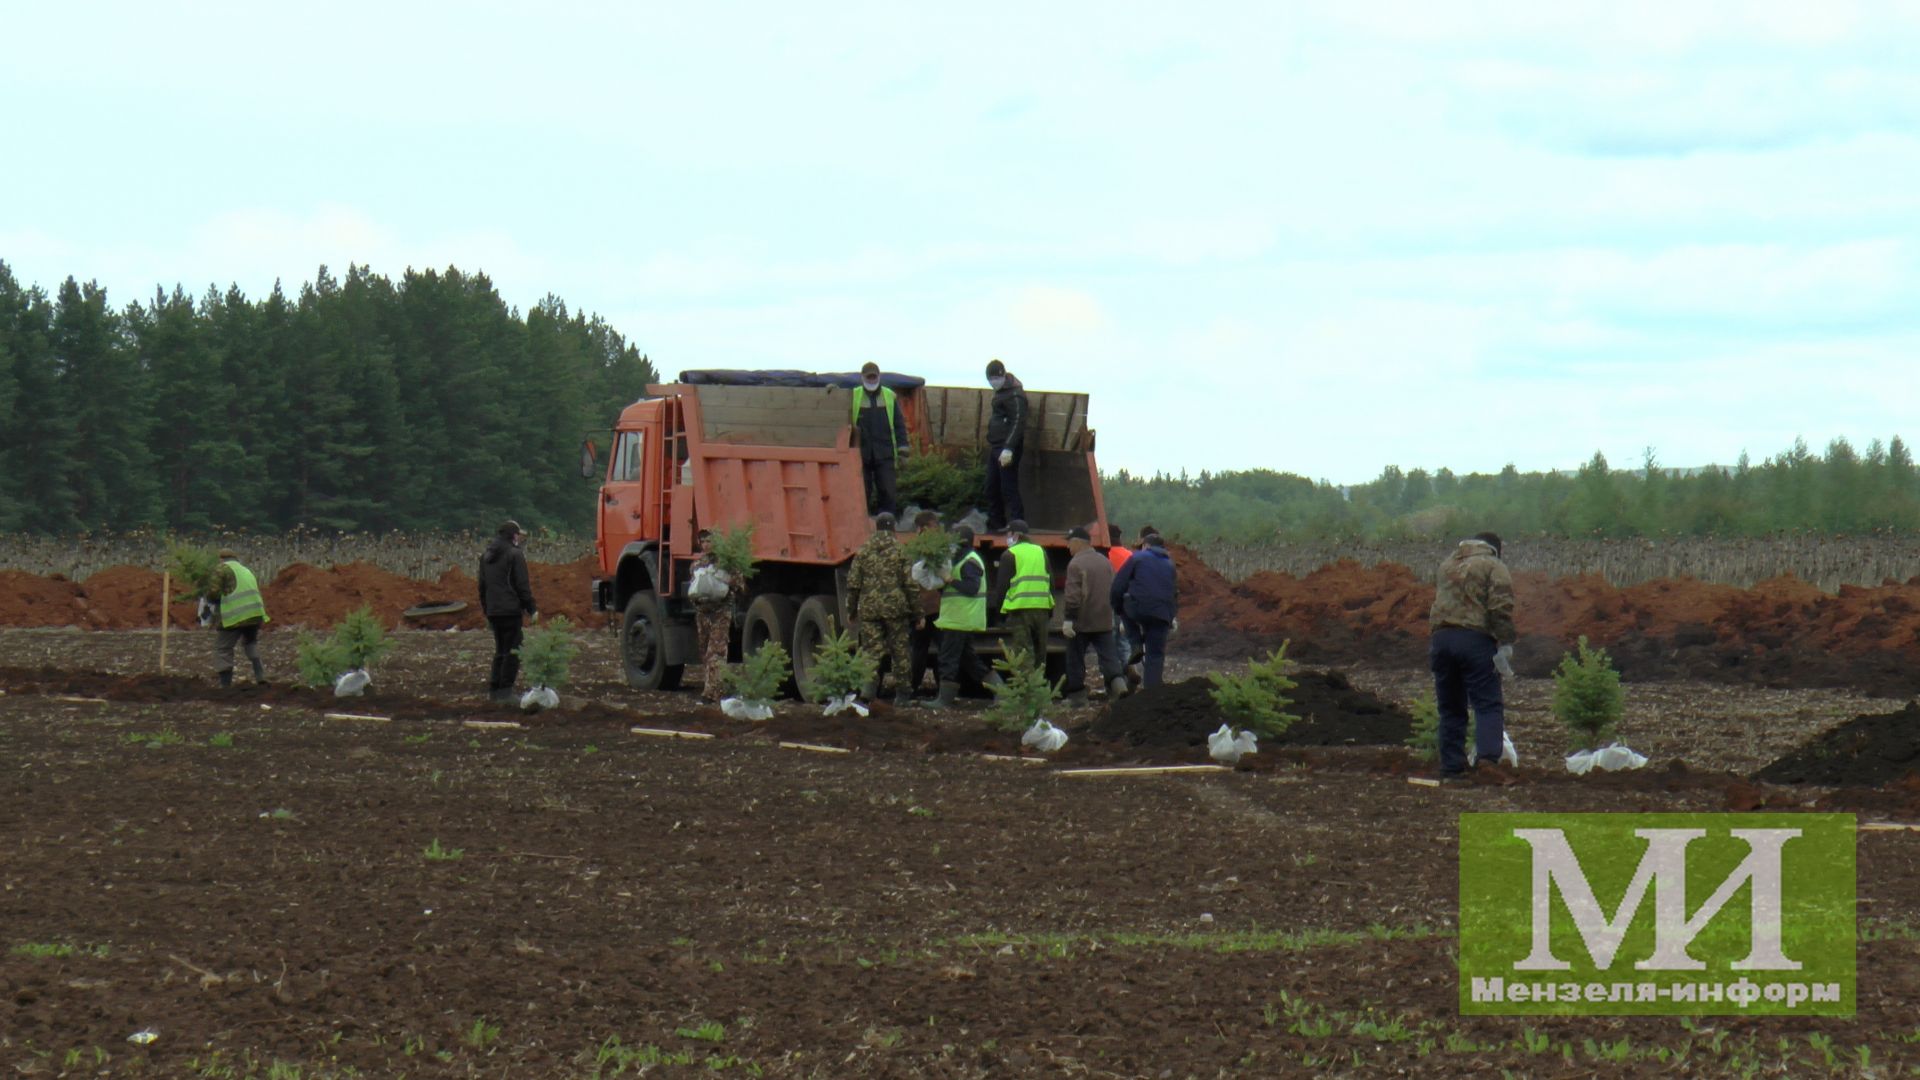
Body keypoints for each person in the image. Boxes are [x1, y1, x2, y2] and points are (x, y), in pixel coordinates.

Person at [1429, 532, 1518, 782]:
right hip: (1474, 641)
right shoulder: (1493, 565)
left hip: (1441, 639)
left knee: (1451, 707)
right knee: (1487, 703)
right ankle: (1487, 762)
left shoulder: (1447, 564)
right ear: (1495, 549)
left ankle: (1451, 769)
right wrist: (1506, 641)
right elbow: (1500, 606)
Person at [846, 512, 919, 708]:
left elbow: (853, 584)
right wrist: (918, 613)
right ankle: (903, 696)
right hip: (896, 610)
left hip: (869, 610)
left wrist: (851, 609)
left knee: (871, 652)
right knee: (900, 651)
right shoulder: (900, 551)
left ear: (876, 528)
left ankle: (867, 693)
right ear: (894, 528)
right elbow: (910, 584)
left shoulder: (863, 551)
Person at [927, 525, 991, 709]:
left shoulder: (970, 562)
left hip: (961, 618)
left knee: (948, 658)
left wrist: (949, 580)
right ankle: (1001, 692)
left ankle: (944, 700)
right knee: (969, 659)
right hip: (960, 617)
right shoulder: (963, 560)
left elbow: (972, 588)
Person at [1061, 526, 1124, 705]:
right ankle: (1119, 687)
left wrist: (1069, 619)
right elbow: (1115, 589)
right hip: (1104, 619)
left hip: (1082, 621)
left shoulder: (1075, 564)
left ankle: (1077, 697)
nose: (1068, 547)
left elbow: (1073, 596)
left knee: (1075, 658)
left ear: (1078, 543)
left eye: (1069, 543)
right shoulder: (1105, 562)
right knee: (1109, 656)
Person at [478, 521, 538, 703]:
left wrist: (487, 610)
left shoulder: (485, 556)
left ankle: (494, 691)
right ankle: (505, 692)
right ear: (513, 535)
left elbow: (482, 587)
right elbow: (522, 586)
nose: (519, 538)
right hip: (510, 610)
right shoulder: (515, 554)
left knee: (500, 650)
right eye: (518, 535)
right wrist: (531, 608)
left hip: (494, 611)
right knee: (513, 650)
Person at [1110, 532, 1177, 689]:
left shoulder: (1137, 557)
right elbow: (1174, 593)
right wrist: (1171, 616)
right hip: (1163, 613)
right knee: (1156, 655)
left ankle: (1136, 645)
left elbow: (1118, 586)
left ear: (1146, 545)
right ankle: (1151, 694)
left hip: (1138, 608)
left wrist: (1118, 609)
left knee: (1123, 603)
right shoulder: (1170, 565)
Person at [850, 361, 910, 517]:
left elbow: (899, 425)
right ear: (862, 377)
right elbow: (841, 413)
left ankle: (887, 525)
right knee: (862, 492)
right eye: (868, 377)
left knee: (887, 491)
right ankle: (863, 525)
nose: (871, 380)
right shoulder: (854, 394)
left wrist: (903, 451)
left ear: (878, 377)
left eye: (874, 377)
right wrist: (832, 392)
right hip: (861, 454)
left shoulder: (889, 396)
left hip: (885, 453)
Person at [688, 529, 742, 703]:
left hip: (720, 613)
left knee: (716, 652)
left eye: (709, 541)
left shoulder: (726, 564)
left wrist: (723, 576)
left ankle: (712, 694)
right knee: (705, 651)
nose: (706, 544)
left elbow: (739, 585)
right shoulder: (696, 565)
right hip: (703, 613)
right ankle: (713, 687)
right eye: (703, 541)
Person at [205, 547, 269, 688]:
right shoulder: (246, 570)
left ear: (221, 559)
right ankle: (261, 677)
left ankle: (225, 685)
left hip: (236, 615)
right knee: (250, 643)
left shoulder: (222, 569)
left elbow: (213, 593)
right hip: (255, 614)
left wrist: (211, 602)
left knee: (222, 648)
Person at [993, 519, 1053, 667]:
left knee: (1024, 655)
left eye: (1008, 534)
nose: (1007, 537)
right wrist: (1051, 609)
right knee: (1041, 654)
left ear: (1014, 535)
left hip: (1020, 611)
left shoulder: (1009, 554)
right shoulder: (1041, 551)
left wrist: (999, 616)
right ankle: (1041, 687)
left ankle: (1027, 688)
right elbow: (1050, 581)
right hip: (1042, 609)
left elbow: (1002, 588)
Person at [983, 359, 1028, 531]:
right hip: (996, 446)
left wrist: (1009, 447)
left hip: (1007, 448)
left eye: (995, 378)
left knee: (1008, 487)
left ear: (1002, 375)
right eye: (990, 379)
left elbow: (1018, 422)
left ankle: (1018, 525)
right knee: (991, 486)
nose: (993, 382)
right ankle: (996, 523)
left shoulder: (1015, 395)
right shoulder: (1001, 393)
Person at [906, 509, 944, 697]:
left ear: (919, 529)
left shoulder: (916, 549)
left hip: (925, 606)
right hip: (936, 606)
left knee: (920, 649)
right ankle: (944, 687)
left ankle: (912, 687)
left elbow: (912, 582)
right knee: (942, 648)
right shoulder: (940, 548)